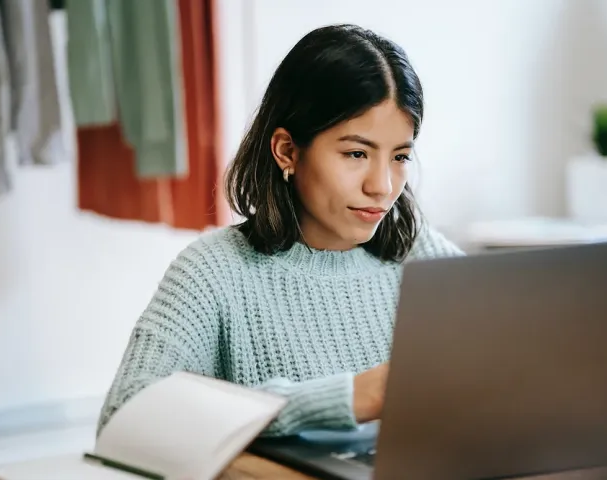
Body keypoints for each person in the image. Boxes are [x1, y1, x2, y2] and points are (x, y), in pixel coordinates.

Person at [97, 24, 464, 438]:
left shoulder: (422, 254)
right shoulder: (213, 272)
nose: (382, 185)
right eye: (356, 153)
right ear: (287, 150)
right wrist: (345, 398)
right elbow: (122, 417)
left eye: (399, 156)